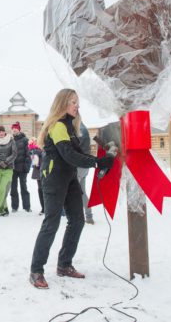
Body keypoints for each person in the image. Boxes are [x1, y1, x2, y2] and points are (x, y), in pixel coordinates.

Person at [29, 89, 115, 289]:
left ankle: (64, 264)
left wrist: (98, 159)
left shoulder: (69, 126)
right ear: (62, 104)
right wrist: (98, 162)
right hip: (53, 179)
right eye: (73, 102)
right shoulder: (58, 125)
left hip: (69, 178)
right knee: (51, 223)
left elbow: (77, 153)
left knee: (77, 220)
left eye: (77, 102)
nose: (77, 106)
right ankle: (36, 270)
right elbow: (69, 155)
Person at [0, 125, 16, 217]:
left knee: (4, 188)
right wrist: (0, 162)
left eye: (2, 131)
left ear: (4, 132)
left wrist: (6, 162)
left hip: (8, 168)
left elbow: (14, 153)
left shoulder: (11, 140)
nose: (1, 133)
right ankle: (3, 209)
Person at [10, 122, 32, 213]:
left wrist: (26, 167)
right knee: (13, 188)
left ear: (19, 130)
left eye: (16, 129)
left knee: (24, 187)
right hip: (13, 168)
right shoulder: (10, 140)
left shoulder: (25, 140)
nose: (14, 130)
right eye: (13, 129)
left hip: (22, 168)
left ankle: (27, 207)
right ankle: (14, 207)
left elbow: (28, 154)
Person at [76, 123, 94, 225]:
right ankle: (89, 215)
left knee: (75, 192)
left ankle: (78, 216)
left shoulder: (79, 130)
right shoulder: (84, 129)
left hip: (79, 165)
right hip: (84, 165)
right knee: (82, 191)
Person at [28, 138, 44, 215]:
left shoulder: (43, 147)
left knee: (46, 189)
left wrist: (35, 150)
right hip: (38, 170)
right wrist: (32, 149)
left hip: (46, 169)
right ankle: (43, 208)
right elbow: (29, 153)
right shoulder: (34, 149)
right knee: (40, 189)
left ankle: (47, 208)